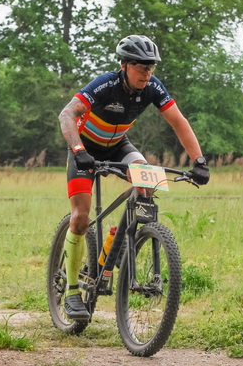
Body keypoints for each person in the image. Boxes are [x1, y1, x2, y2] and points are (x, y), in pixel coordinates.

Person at [58, 34, 210, 320]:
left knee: (147, 183)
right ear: (124, 65)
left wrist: (199, 161)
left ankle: (110, 252)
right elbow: (66, 114)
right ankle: (72, 291)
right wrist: (78, 150)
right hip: (85, 148)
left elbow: (178, 121)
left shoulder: (153, 87)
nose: (147, 73)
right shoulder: (105, 84)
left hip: (119, 146)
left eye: (151, 67)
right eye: (141, 67)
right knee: (81, 217)